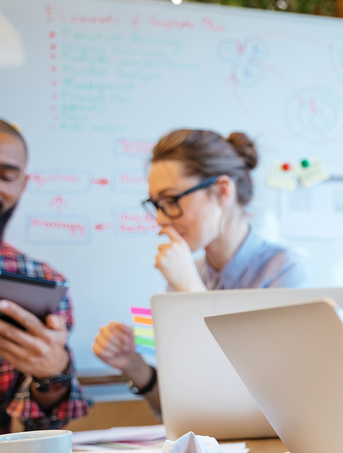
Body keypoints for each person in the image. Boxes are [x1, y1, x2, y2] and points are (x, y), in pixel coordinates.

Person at [92, 129, 313, 413]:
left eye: (171, 200)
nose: (160, 220)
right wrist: (134, 366)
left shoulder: (286, 271)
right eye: (156, 205)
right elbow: (181, 407)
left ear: (222, 191)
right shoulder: (187, 275)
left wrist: (191, 291)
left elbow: (265, 403)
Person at [0, 119, 87, 433]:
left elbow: (45, 425)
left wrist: (52, 372)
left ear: (22, 185)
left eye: (5, 175)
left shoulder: (40, 280)